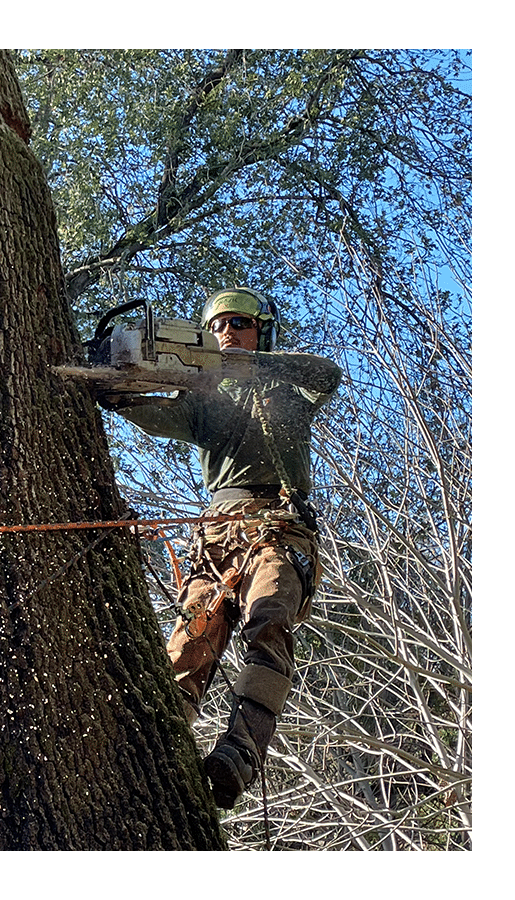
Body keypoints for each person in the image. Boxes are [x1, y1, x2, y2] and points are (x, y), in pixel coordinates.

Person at [97, 287, 342, 809]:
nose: (227, 331)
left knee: (269, 620)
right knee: (192, 640)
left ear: (262, 331)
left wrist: (249, 366)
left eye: (239, 323)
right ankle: (158, 746)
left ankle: (240, 753)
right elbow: (154, 415)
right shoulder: (206, 399)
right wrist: (118, 389)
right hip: (216, 535)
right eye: (218, 325)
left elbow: (326, 374)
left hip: (279, 527)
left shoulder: (289, 390)